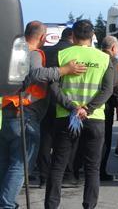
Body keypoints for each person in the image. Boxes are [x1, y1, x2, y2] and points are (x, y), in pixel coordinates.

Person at [0, 22, 85, 208]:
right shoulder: (34, 53)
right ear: (42, 37)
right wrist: (64, 70)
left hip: (9, 112)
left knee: (6, 163)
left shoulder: (11, 56)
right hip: (25, 116)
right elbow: (37, 73)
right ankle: (6, 205)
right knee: (20, 165)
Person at [45, 20, 114, 209]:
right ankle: (89, 206)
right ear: (92, 37)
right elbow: (107, 90)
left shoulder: (61, 54)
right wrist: (88, 109)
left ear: (72, 36)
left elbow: (53, 86)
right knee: (92, 168)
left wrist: (71, 107)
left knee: (58, 165)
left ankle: (51, 206)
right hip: (95, 118)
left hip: (65, 116)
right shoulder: (104, 58)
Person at [37, 27, 74, 188]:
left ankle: (43, 175)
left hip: (45, 99)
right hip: (65, 100)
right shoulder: (73, 53)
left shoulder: (46, 50)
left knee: (45, 138)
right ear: (72, 37)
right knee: (66, 140)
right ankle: (66, 173)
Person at [99, 36, 118, 181]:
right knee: (104, 141)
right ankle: (101, 171)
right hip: (105, 105)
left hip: (88, 102)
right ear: (113, 48)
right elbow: (115, 86)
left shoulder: (95, 57)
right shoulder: (112, 61)